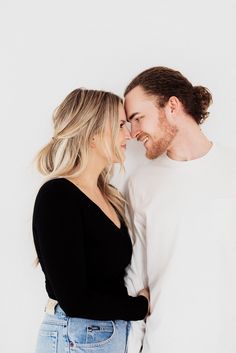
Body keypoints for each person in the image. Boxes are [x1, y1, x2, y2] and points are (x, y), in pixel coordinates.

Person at [123, 67, 236, 353]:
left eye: (139, 118)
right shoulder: (141, 184)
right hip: (164, 344)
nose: (134, 132)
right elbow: (135, 279)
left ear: (172, 106)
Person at [32, 88, 149, 353]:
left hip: (105, 335)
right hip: (76, 336)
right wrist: (140, 307)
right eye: (120, 125)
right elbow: (74, 300)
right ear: (93, 133)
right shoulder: (57, 196)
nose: (129, 134)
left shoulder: (110, 196)